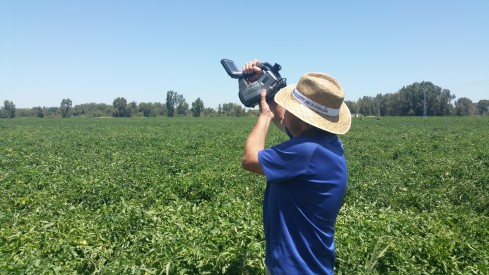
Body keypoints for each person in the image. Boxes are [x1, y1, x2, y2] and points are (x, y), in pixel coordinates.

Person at [241, 59, 351, 274]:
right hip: (313, 264)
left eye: (291, 109)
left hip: (294, 267)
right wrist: (264, 89)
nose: (285, 113)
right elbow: (286, 121)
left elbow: (250, 159)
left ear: (304, 122)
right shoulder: (328, 144)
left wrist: (264, 117)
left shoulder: (306, 152)